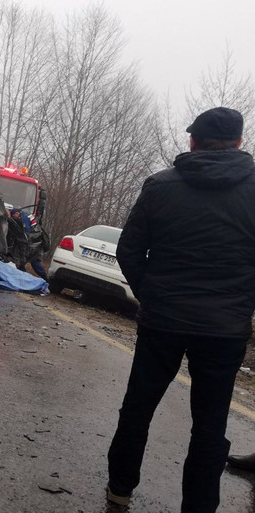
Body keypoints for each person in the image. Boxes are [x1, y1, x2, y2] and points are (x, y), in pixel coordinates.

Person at [106, 107, 255, 512]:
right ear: (239, 142)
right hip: (225, 331)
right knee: (210, 425)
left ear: (192, 141)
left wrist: (151, 295)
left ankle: (120, 489)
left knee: (138, 407)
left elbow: (129, 250)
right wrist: (242, 306)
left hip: (163, 321)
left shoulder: (160, 186)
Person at [9, 208, 48, 281]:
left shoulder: (24, 217)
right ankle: (43, 278)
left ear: (17, 213)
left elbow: (26, 232)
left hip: (32, 244)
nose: (14, 218)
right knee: (33, 261)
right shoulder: (26, 214)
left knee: (23, 261)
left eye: (14, 216)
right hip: (35, 242)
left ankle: (26, 278)